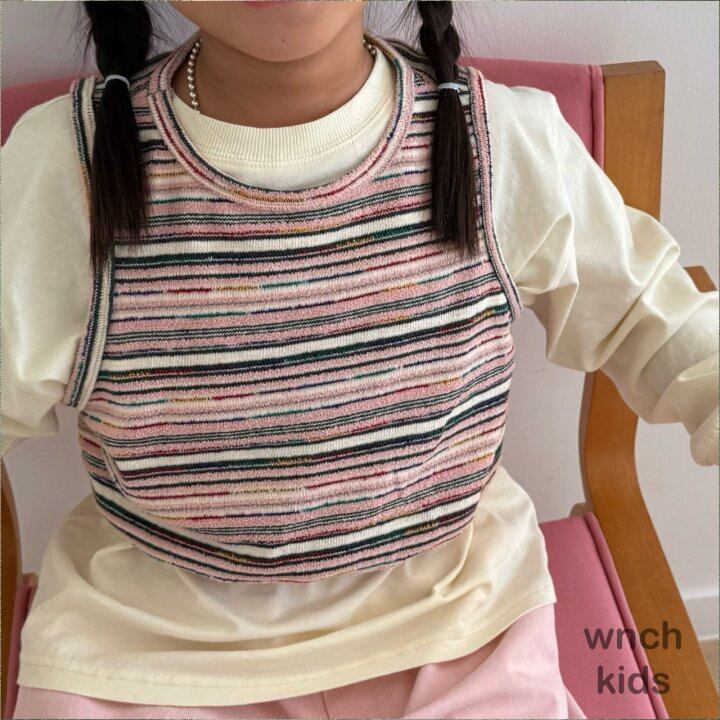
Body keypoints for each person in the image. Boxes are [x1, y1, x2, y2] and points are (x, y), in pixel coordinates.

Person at [2, 2, 717, 718]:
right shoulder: (66, 168)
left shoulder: (496, 139)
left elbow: (653, 319)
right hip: (145, 651)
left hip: (456, 624)